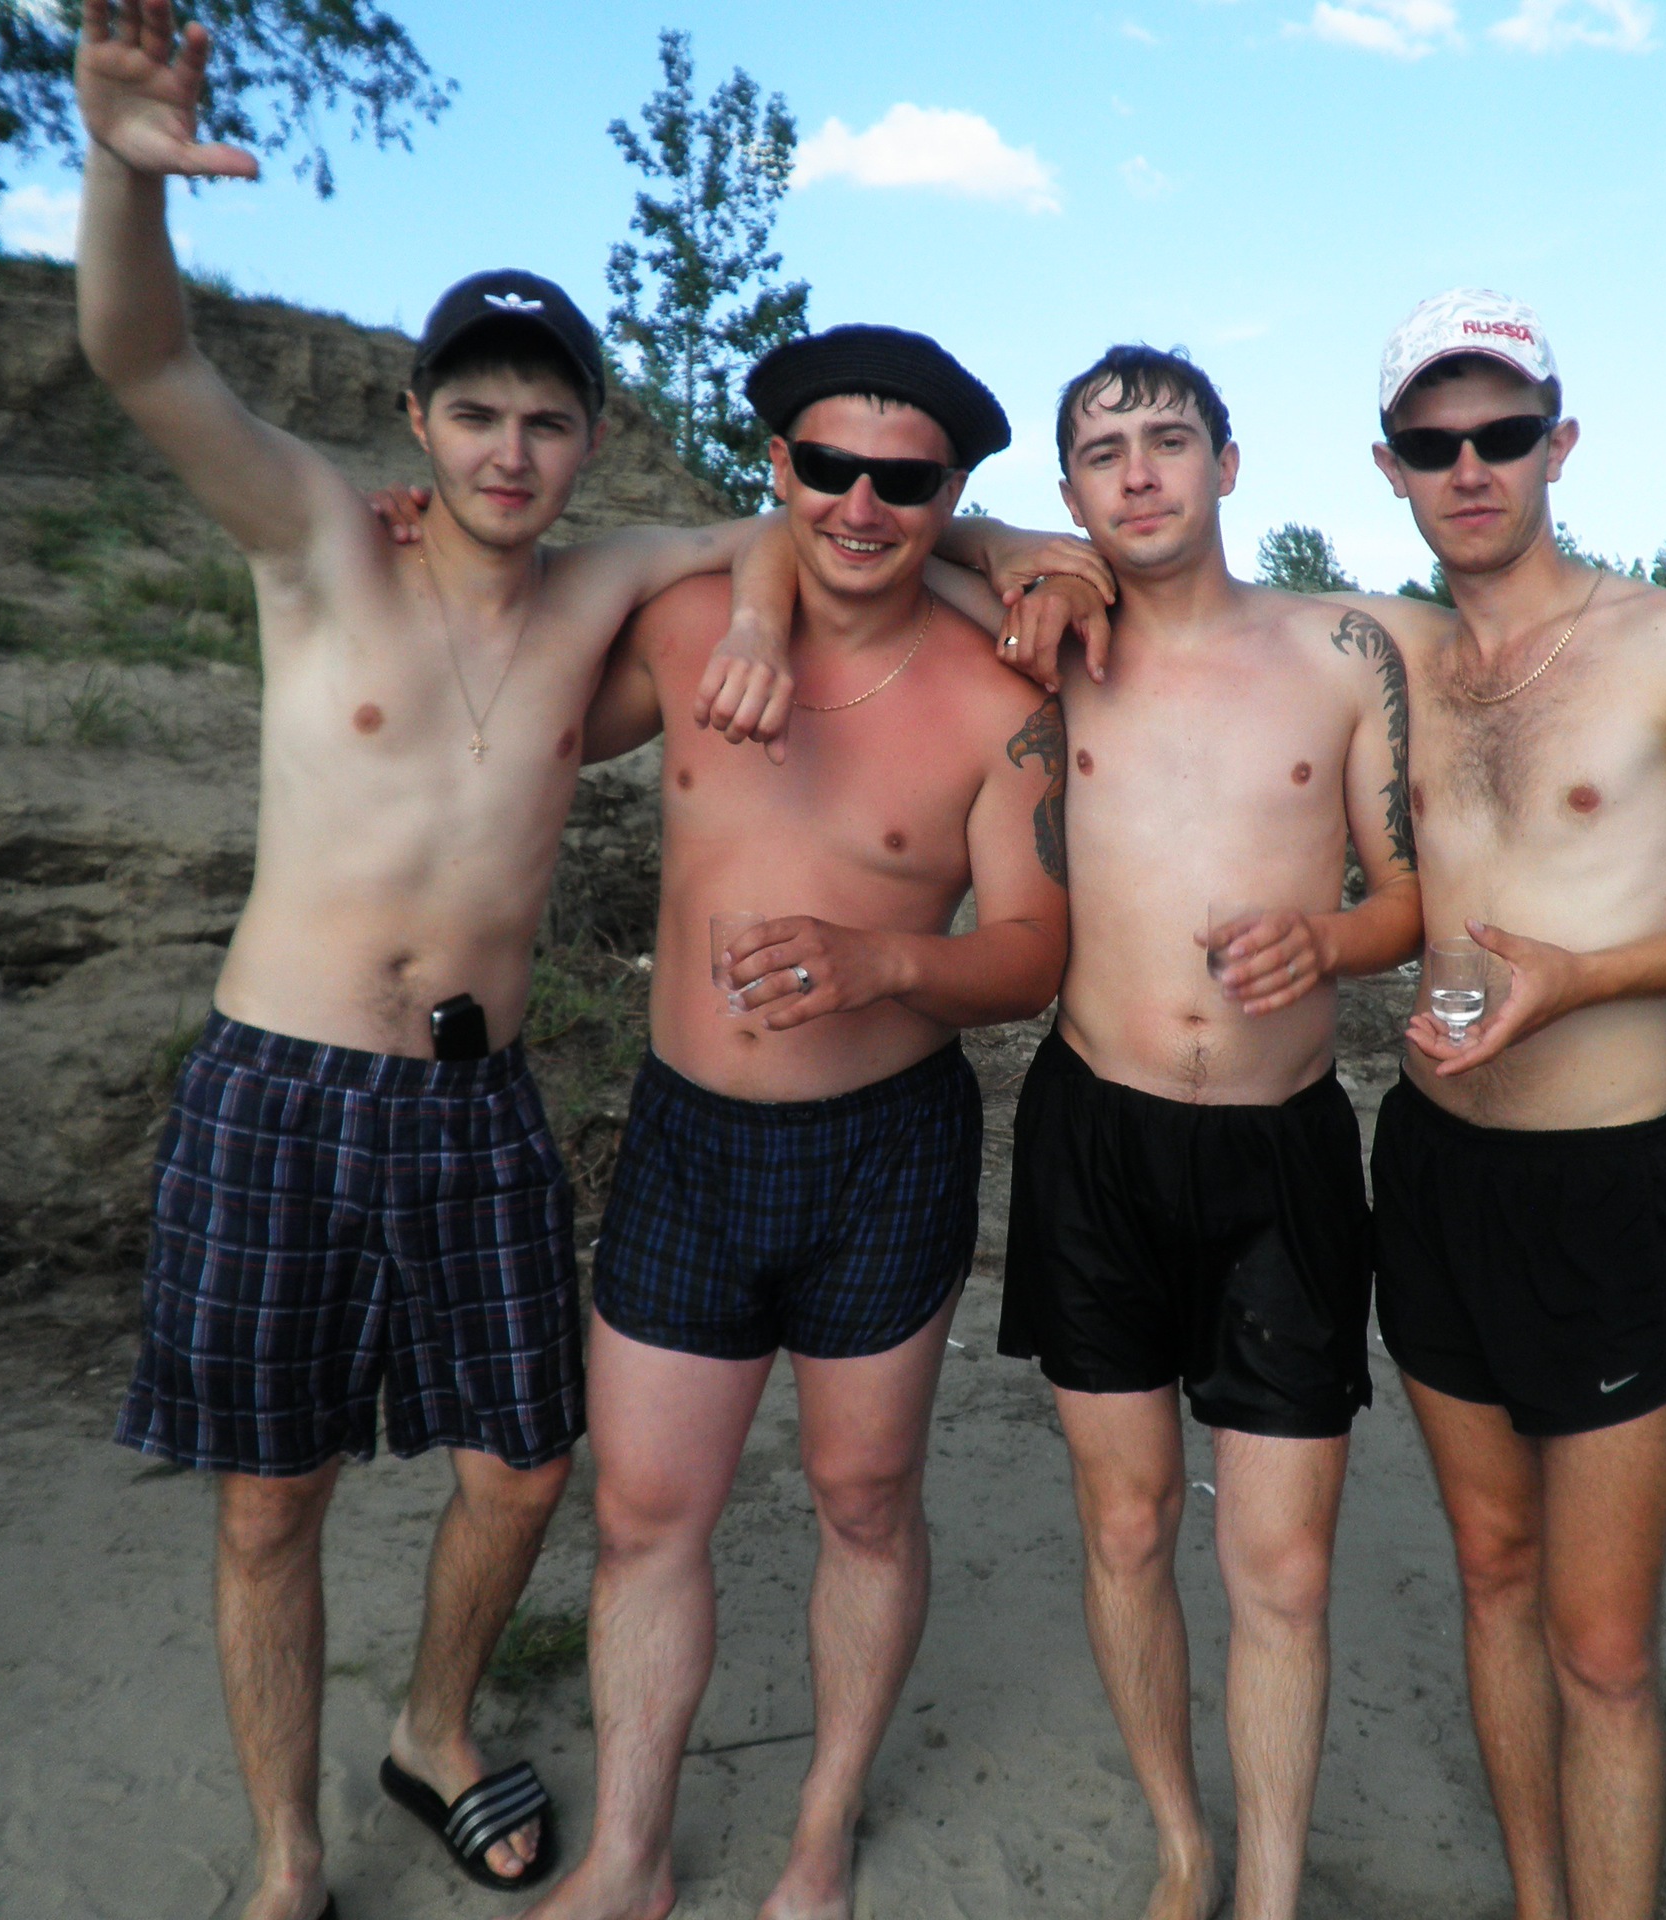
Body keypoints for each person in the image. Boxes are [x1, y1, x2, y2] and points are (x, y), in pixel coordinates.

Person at [71, 7, 799, 1915]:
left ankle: (434, 1729)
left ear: (589, 438)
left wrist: (776, 606)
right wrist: (123, 176)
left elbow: (790, 524)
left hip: (474, 1100)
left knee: (524, 1465)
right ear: (417, 422)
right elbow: (143, 359)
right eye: (477, 413)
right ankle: (287, 1856)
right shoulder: (321, 541)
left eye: (548, 418)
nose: (511, 448)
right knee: (271, 1497)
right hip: (281, 1087)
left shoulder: (606, 583)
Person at [516, 325, 1070, 1920]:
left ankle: (820, 1839)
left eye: (905, 481)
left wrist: (885, 960)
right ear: (777, 464)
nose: (859, 504)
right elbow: (509, 688)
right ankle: (628, 1857)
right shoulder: (694, 628)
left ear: (952, 496)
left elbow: (1033, 953)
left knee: (865, 1499)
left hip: (885, 1149)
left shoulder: (998, 697)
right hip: (690, 1140)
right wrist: (425, 530)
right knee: (644, 1512)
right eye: (827, 465)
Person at [1346, 288, 1666, 1920]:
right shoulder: (1396, 654)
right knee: (1491, 1573)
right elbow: (1166, 582)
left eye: (1503, 434)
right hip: (1433, 1170)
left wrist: (1586, 978)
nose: (1472, 468)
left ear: (1559, 442)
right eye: (1435, 443)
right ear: (1391, 466)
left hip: (1606, 1177)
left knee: (1602, 1646)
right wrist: (1016, 553)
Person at [952, 345, 1423, 1920]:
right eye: (1103, 453)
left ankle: (1270, 1890)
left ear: (1229, 463)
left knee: (1282, 1565)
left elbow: (1411, 895)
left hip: (1285, 1148)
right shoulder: (1047, 651)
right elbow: (892, 529)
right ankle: (1181, 1846)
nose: (1139, 471)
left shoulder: (1341, 651)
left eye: (1169, 440)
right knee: (1129, 1520)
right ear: (1071, 492)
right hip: (1097, 1139)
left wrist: (1333, 941)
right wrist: (1013, 550)